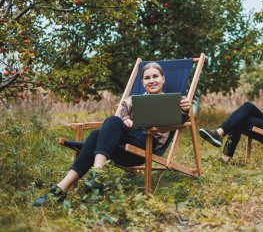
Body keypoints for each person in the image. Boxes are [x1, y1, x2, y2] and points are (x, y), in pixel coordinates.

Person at [34, 62, 191, 206]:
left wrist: (185, 109)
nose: (151, 80)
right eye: (147, 78)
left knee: (96, 137)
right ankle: (74, 183)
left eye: (155, 76)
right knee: (106, 127)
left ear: (163, 78)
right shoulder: (132, 101)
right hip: (123, 146)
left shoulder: (174, 101)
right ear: (142, 82)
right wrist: (126, 120)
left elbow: (183, 119)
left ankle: (76, 183)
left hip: (145, 147)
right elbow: (122, 115)